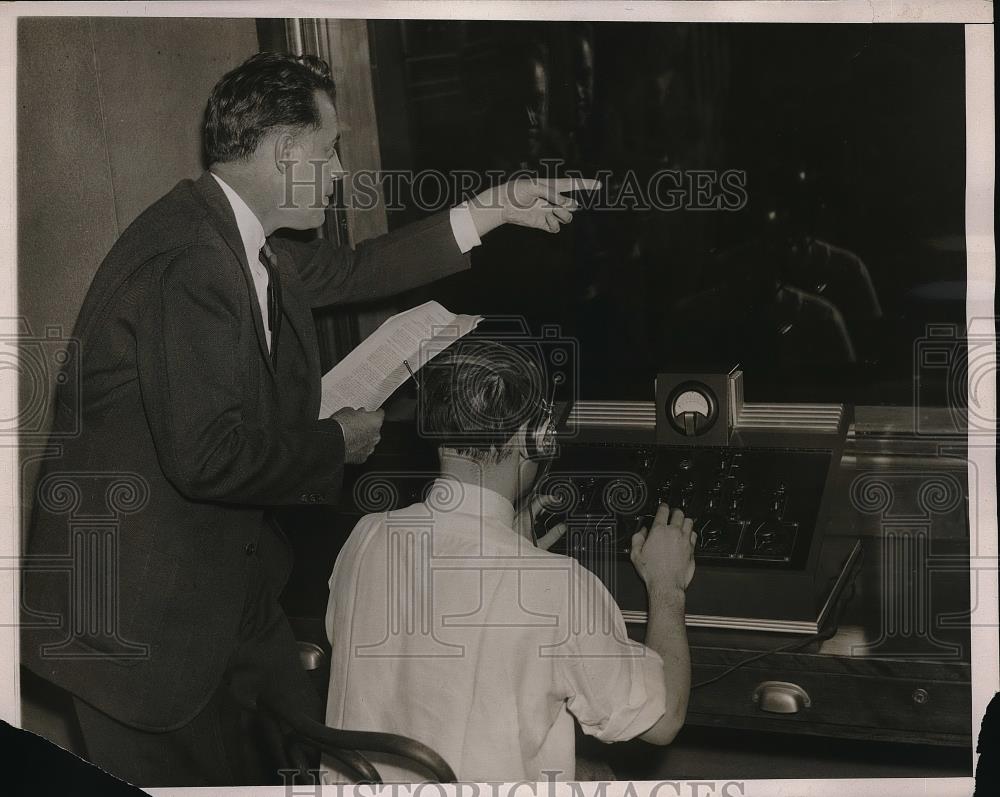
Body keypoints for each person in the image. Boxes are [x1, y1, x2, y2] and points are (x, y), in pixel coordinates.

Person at [21, 52, 595, 787]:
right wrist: (337, 438)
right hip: (134, 629)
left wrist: (496, 206)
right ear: (285, 150)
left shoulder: (244, 240)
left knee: (315, 766)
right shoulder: (191, 261)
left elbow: (356, 272)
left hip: (222, 592)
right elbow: (206, 456)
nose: (336, 172)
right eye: (328, 151)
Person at [324, 340, 696, 783]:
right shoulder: (558, 588)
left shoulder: (366, 537)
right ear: (535, 438)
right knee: (608, 775)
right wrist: (667, 585)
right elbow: (664, 720)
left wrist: (510, 556)